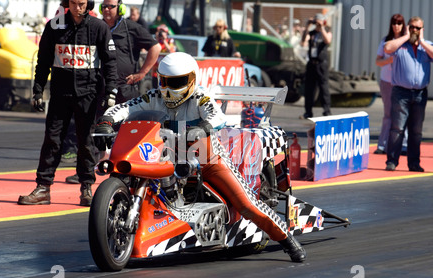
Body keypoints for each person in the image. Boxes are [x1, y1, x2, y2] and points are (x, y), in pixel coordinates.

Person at [94, 52, 307, 263]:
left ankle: (287, 241)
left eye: (176, 82)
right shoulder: (154, 96)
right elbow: (124, 108)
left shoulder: (200, 97)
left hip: (207, 159)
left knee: (246, 204)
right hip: (166, 155)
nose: (168, 89)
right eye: (164, 81)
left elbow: (217, 116)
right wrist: (106, 121)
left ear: (192, 80)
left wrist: (204, 126)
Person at [17, 0, 118, 206]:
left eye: (81, 4)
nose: (77, 8)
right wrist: (38, 90)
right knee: (52, 140)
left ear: (88, 4)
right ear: (66, 3)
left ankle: (87, 188)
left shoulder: (99, 28)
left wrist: (111, 92)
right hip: (59, 94)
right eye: (73, 3)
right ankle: (43, 188)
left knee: (86, 143)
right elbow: (43, 60)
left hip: (88, 94)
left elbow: (110, 62)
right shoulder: (54, 26)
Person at [64, 0, 161, 184]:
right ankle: (85, 172)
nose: (107, 10)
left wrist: (142, 73)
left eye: (111, 6)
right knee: (89, 130)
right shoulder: (96, 27)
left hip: (123, 89)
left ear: (120, 8)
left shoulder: (131, 28)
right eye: (105, 6)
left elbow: (155, 47)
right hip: (97, 87)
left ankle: (127, 171)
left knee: (125, 130)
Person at [384, 16, 433, 172]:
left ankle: (414, 163)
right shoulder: (400, 45)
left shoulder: (426, 47)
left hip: (420, 94)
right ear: (407, 27)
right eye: (412, 27)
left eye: (418, 28)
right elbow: (387, 49)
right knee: (397, 128)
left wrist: (422, 41)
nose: (414, 30)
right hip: (401, 92)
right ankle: (392, 161)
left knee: (416, 131)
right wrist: (405, 36)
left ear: (422, 30)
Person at [375, 14, 407, 155]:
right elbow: (378, 61)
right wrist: (389, 61)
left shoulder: (406, 41)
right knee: (388, 114)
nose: (396, 26)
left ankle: (404, 145)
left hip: (401, 82)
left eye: (399, 23)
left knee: (402, 114)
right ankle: (382, 145)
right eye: (394, 23)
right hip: (387, 81)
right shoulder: (386, 41)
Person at [299, 13, 332, 119]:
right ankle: (308, 111)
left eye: (319, 22)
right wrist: (307, 26)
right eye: (316, 22)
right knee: (309, 89)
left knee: (324, 88)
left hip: (321, 64)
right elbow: (303, 42)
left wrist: (322, 27)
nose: (317, 25)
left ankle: (326, 111)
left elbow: (328, 40)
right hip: (311, 64)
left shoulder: (326, 32)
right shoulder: (311, 33)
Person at [151, 24, 176, 88]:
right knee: (155, 89)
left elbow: (171, 51)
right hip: (156, 71)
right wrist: (156, 38)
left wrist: (164, 40)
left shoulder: (170, 40)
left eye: (163, 32)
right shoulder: (156, 41)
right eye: (159, 32)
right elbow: (152, 49)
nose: (161, 34)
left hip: (166, 71)